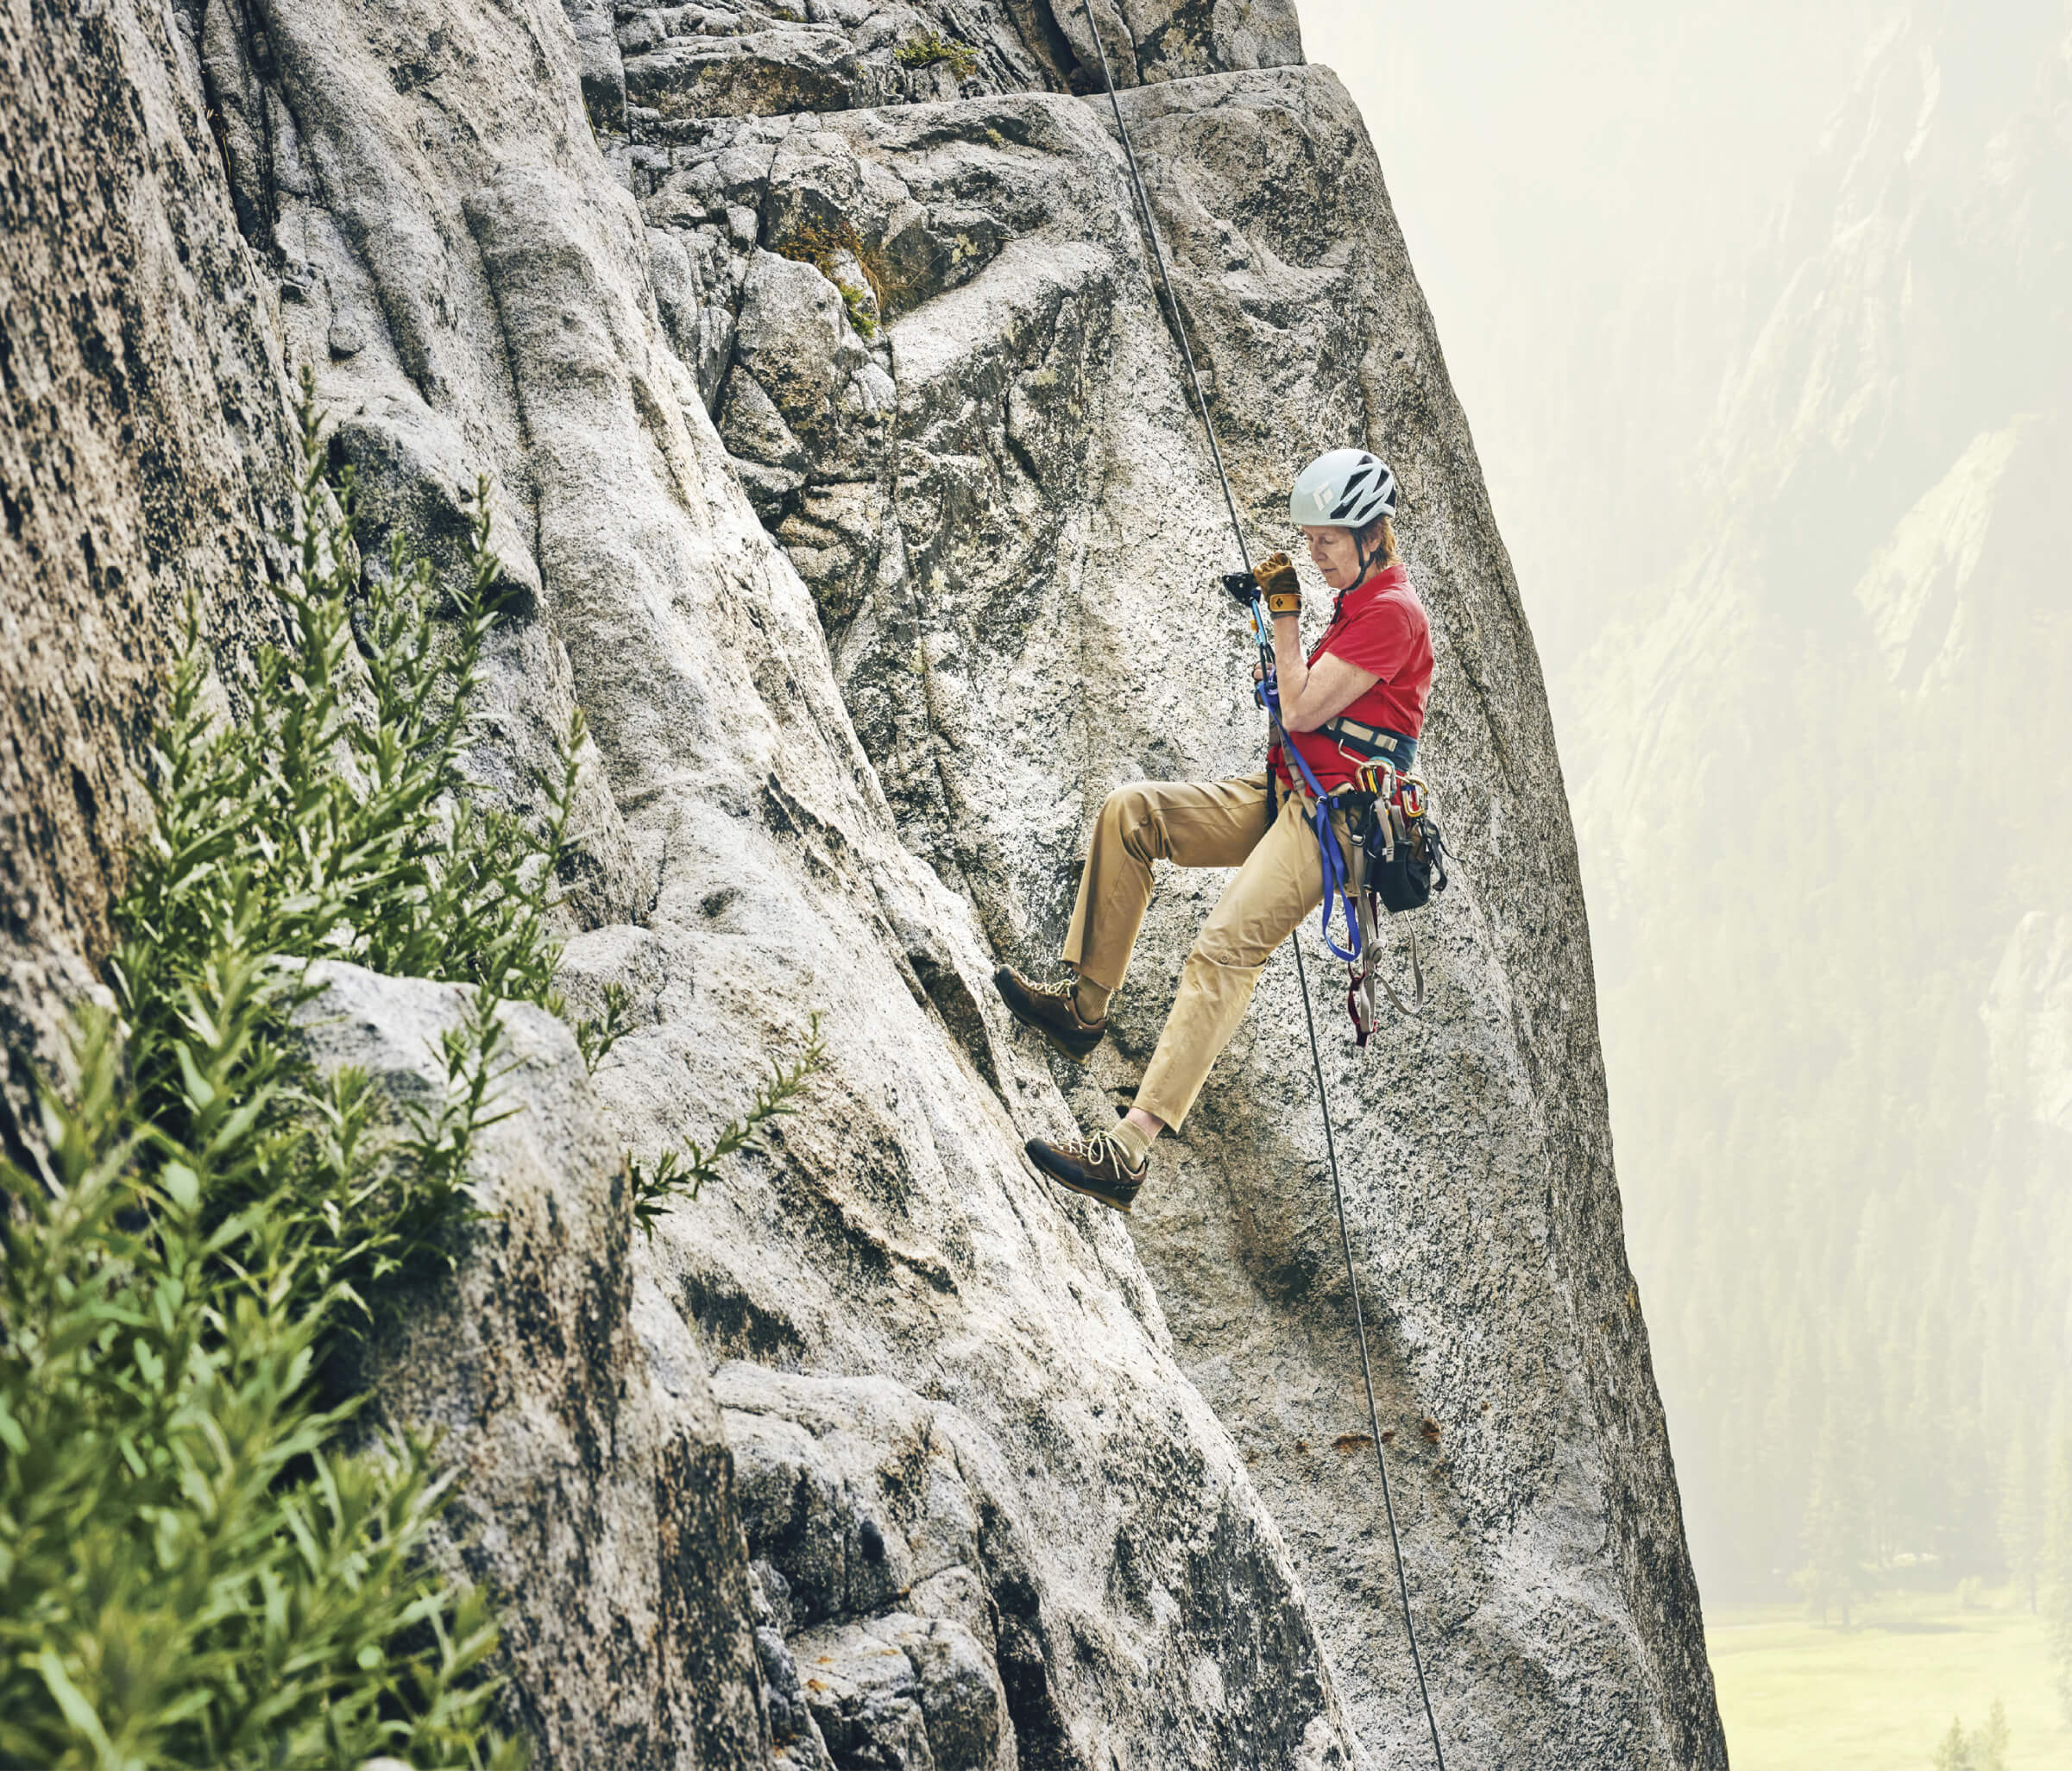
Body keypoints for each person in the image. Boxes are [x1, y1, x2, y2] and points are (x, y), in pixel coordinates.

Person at [995, 450, 1434, 1212]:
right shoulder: (1358, 608)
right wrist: (1280, 628)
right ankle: (1081, 1010)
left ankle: (1128, 1153)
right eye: (1310, 539)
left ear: (1369, 533)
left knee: (1224, 949)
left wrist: (1285, 617)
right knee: (1133, 814)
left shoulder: (1393, 614)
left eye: (1326, 538)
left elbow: (1299, 711)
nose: (1314, 553)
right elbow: (1304, 707)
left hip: (1337, 824)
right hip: (1289, 794)